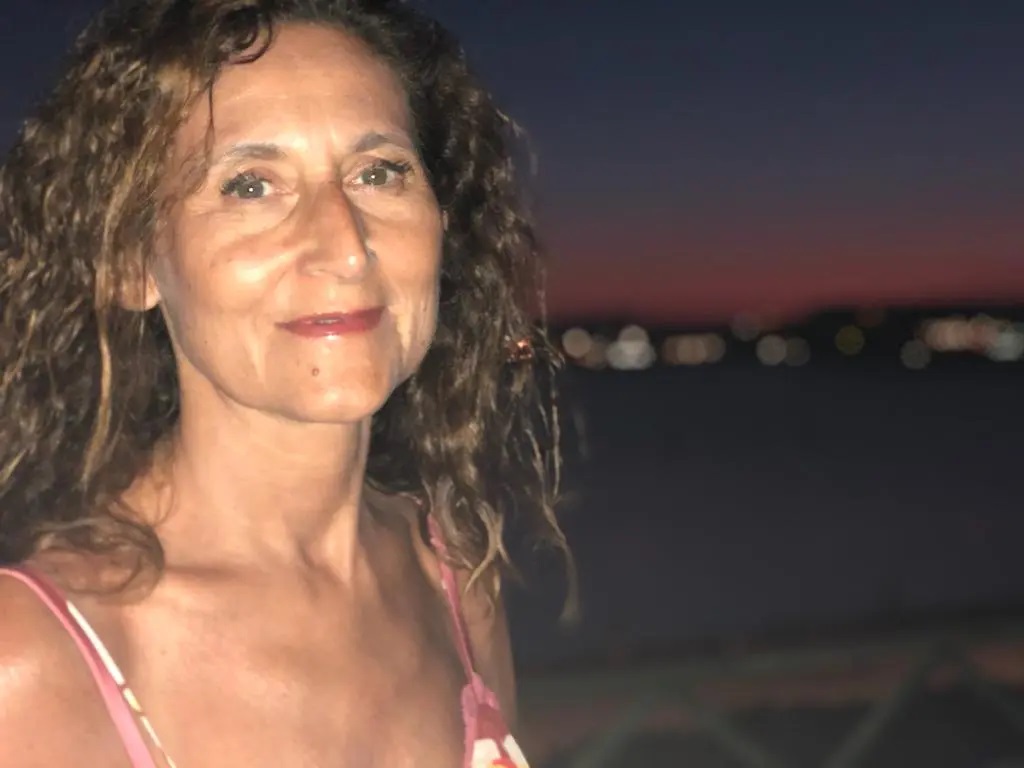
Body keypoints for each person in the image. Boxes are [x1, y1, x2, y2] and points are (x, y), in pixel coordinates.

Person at [0, 1, 570, 766]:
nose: (344, 245)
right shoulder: (37, 660)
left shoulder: (452, 579)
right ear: (130, 260)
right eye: (250, 185)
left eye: (378, 173)